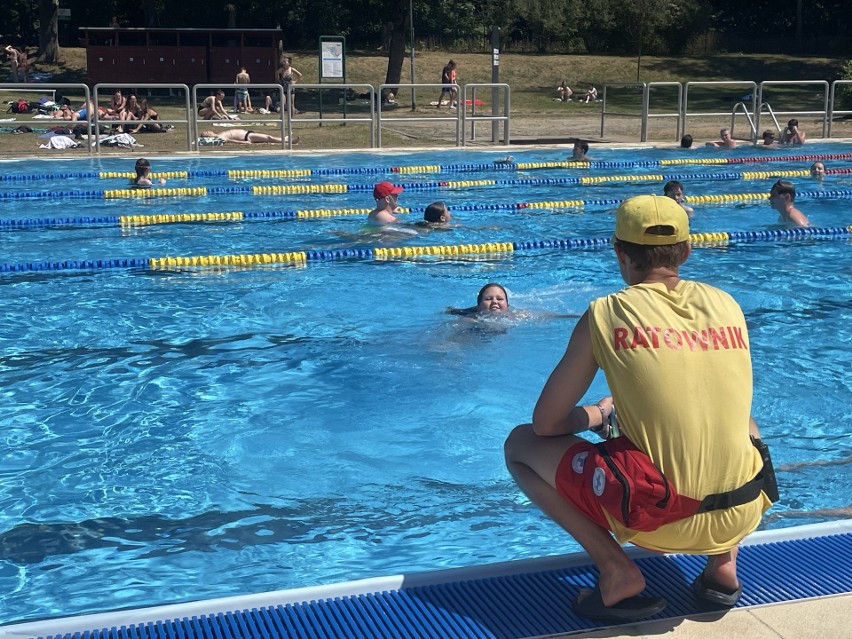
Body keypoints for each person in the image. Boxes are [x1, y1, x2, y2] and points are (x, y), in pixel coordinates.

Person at [504, 194, 774, 623]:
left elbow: (546, 423)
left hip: (659, 518)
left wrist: (596, 414)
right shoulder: (727, 304)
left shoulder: (606, 313)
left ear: (619, 253)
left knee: (519, 443)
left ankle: (616, 570)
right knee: (739, 417)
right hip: (744, 508)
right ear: (686, 251)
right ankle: (722, 567)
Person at [200, 129, 294, 145]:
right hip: (247, 137)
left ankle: (285, 139)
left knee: (268, 138)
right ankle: (288, 141)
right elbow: (231, 141)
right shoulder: (219, 138)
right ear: (208, 136)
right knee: (268, 137)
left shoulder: (218, 134)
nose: (208, 131)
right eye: (206, 132)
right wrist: (244, 142)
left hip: (247, 134)